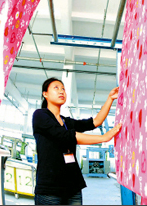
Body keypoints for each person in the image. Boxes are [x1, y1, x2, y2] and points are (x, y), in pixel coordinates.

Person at [32, 77, 122, 205]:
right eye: (56, 88)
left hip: (73, 188)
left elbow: (94, 122)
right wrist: (103, 138)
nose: (61, 91)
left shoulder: (66, 121)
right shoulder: (40, 115)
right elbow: (65, 135)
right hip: (49, 190)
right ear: (45, 94)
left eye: (63, 88)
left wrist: (110, 99)